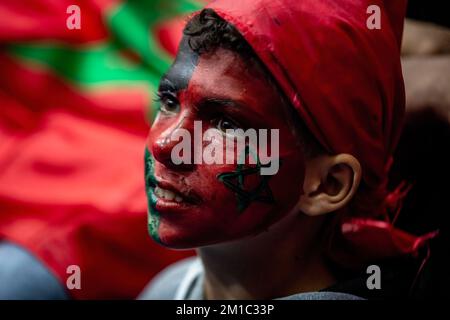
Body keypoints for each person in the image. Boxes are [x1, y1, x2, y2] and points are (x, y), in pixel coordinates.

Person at [139, 0, 435, 300]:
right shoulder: (172, 288)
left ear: (327, 184)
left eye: (227, 124)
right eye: (169, 102)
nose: (166, 145)